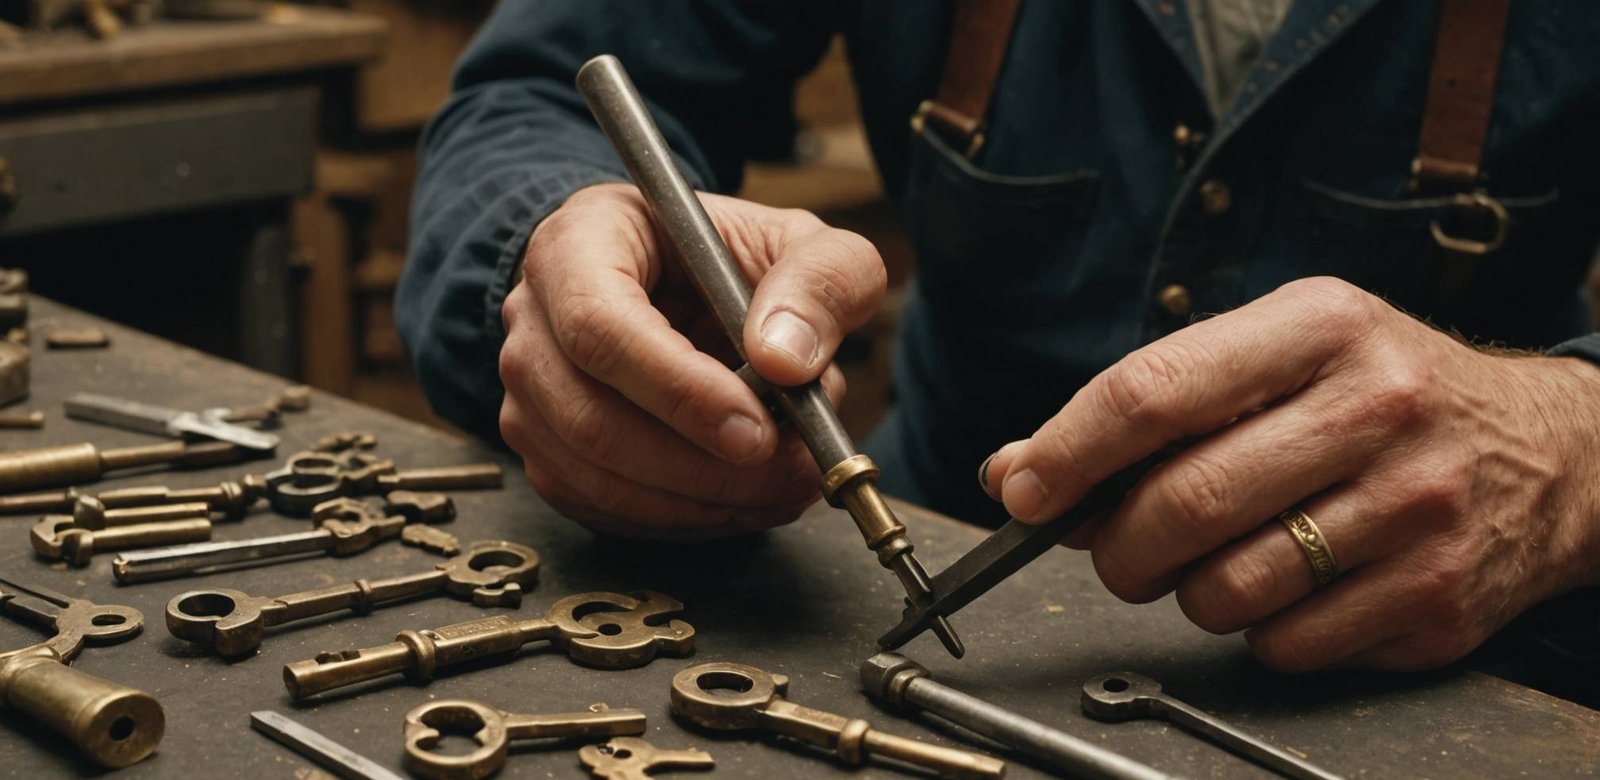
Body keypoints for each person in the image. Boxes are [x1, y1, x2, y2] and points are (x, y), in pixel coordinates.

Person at [395, 1, 1600, 679]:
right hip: (901, 555)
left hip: (1450, 637)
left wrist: (1568, 444)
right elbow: (541, 93)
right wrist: (563, 263)